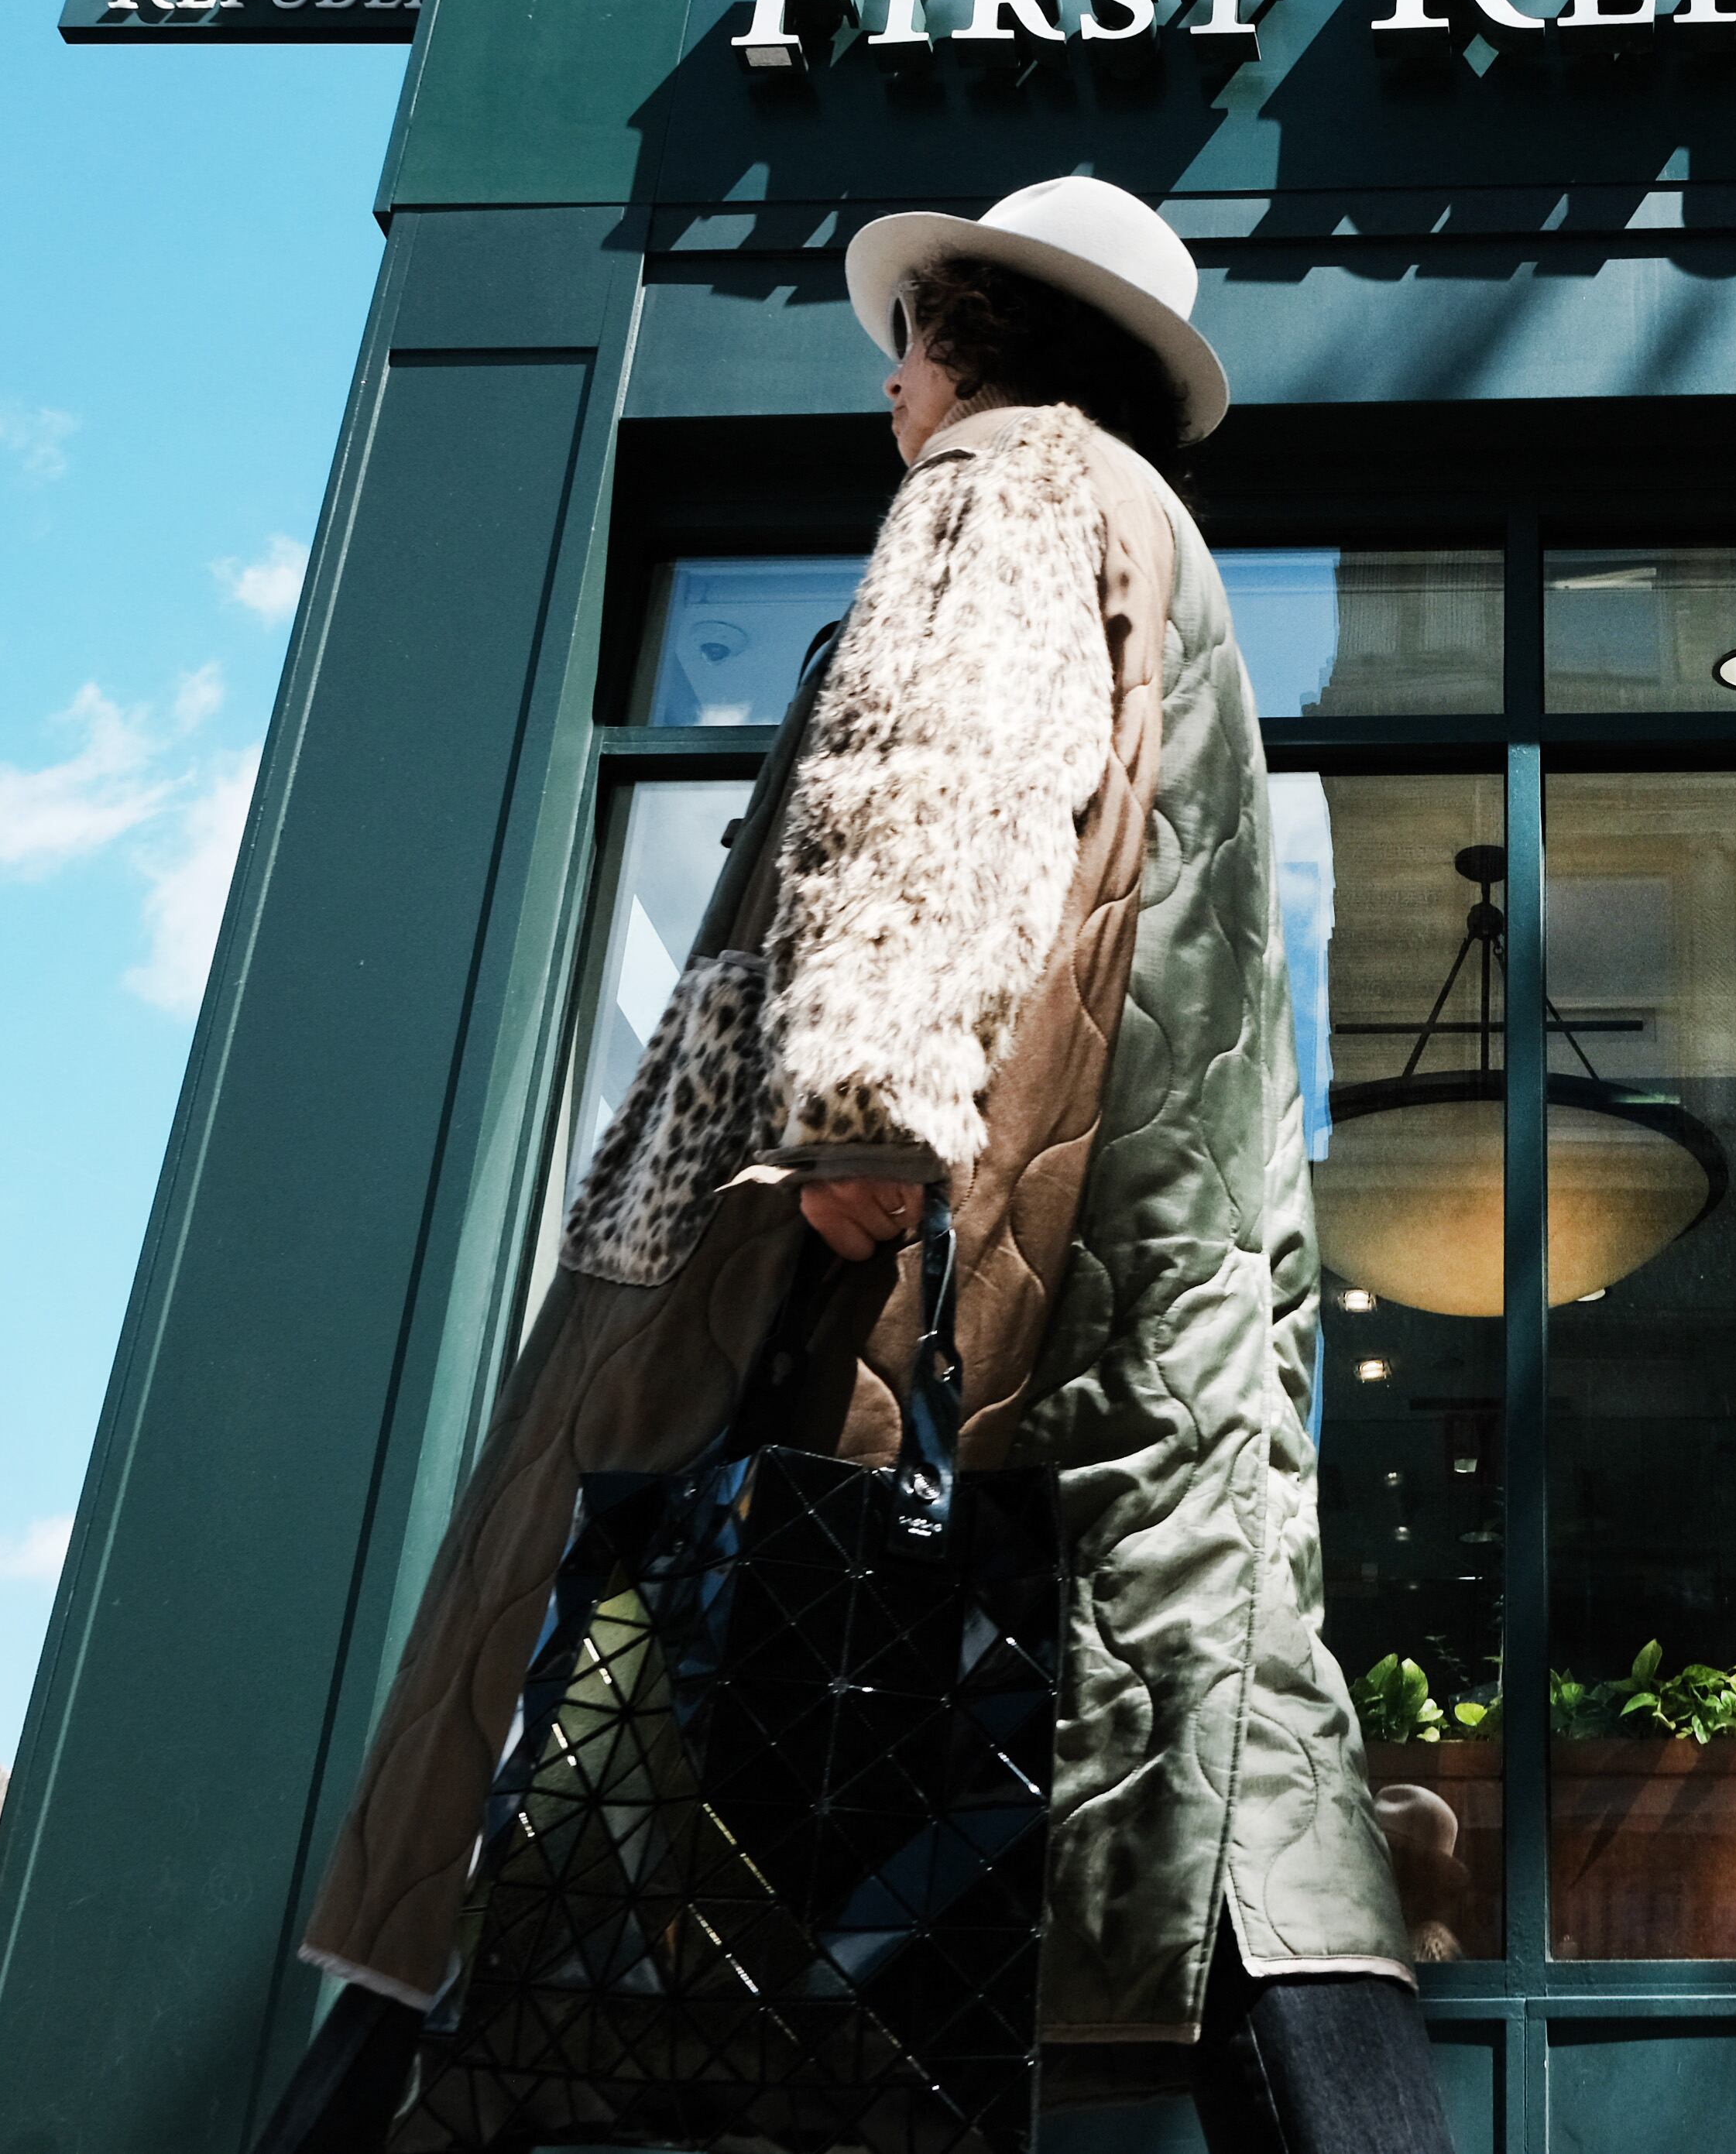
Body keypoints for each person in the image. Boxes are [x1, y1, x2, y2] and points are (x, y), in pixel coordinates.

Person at [259, 178, 1448, 2154]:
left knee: (579, 1703)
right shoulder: (1154, 531)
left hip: (884, 1278)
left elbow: (938, 767)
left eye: (903, 349)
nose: (887, 390)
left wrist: (863, 1114)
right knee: (1221, 1751)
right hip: (1135, 1276)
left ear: (956, 344)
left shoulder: (1005, 479)